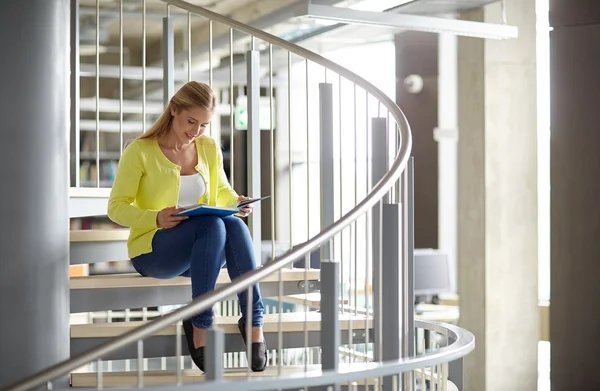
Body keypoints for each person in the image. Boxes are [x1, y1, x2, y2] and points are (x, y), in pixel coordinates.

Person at [107, 81, 267, 372]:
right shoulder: (140, 152)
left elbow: (222, 191)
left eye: (204, 125)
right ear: (173, 110)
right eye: (191, 121)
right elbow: (116, 207)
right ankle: (201, 322)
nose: (196, 131)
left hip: (201, 252)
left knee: (232, 224)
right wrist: (155, 218)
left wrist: (238, 201)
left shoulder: (207, 148)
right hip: (154, 251)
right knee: (214, 227)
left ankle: (253, 320)